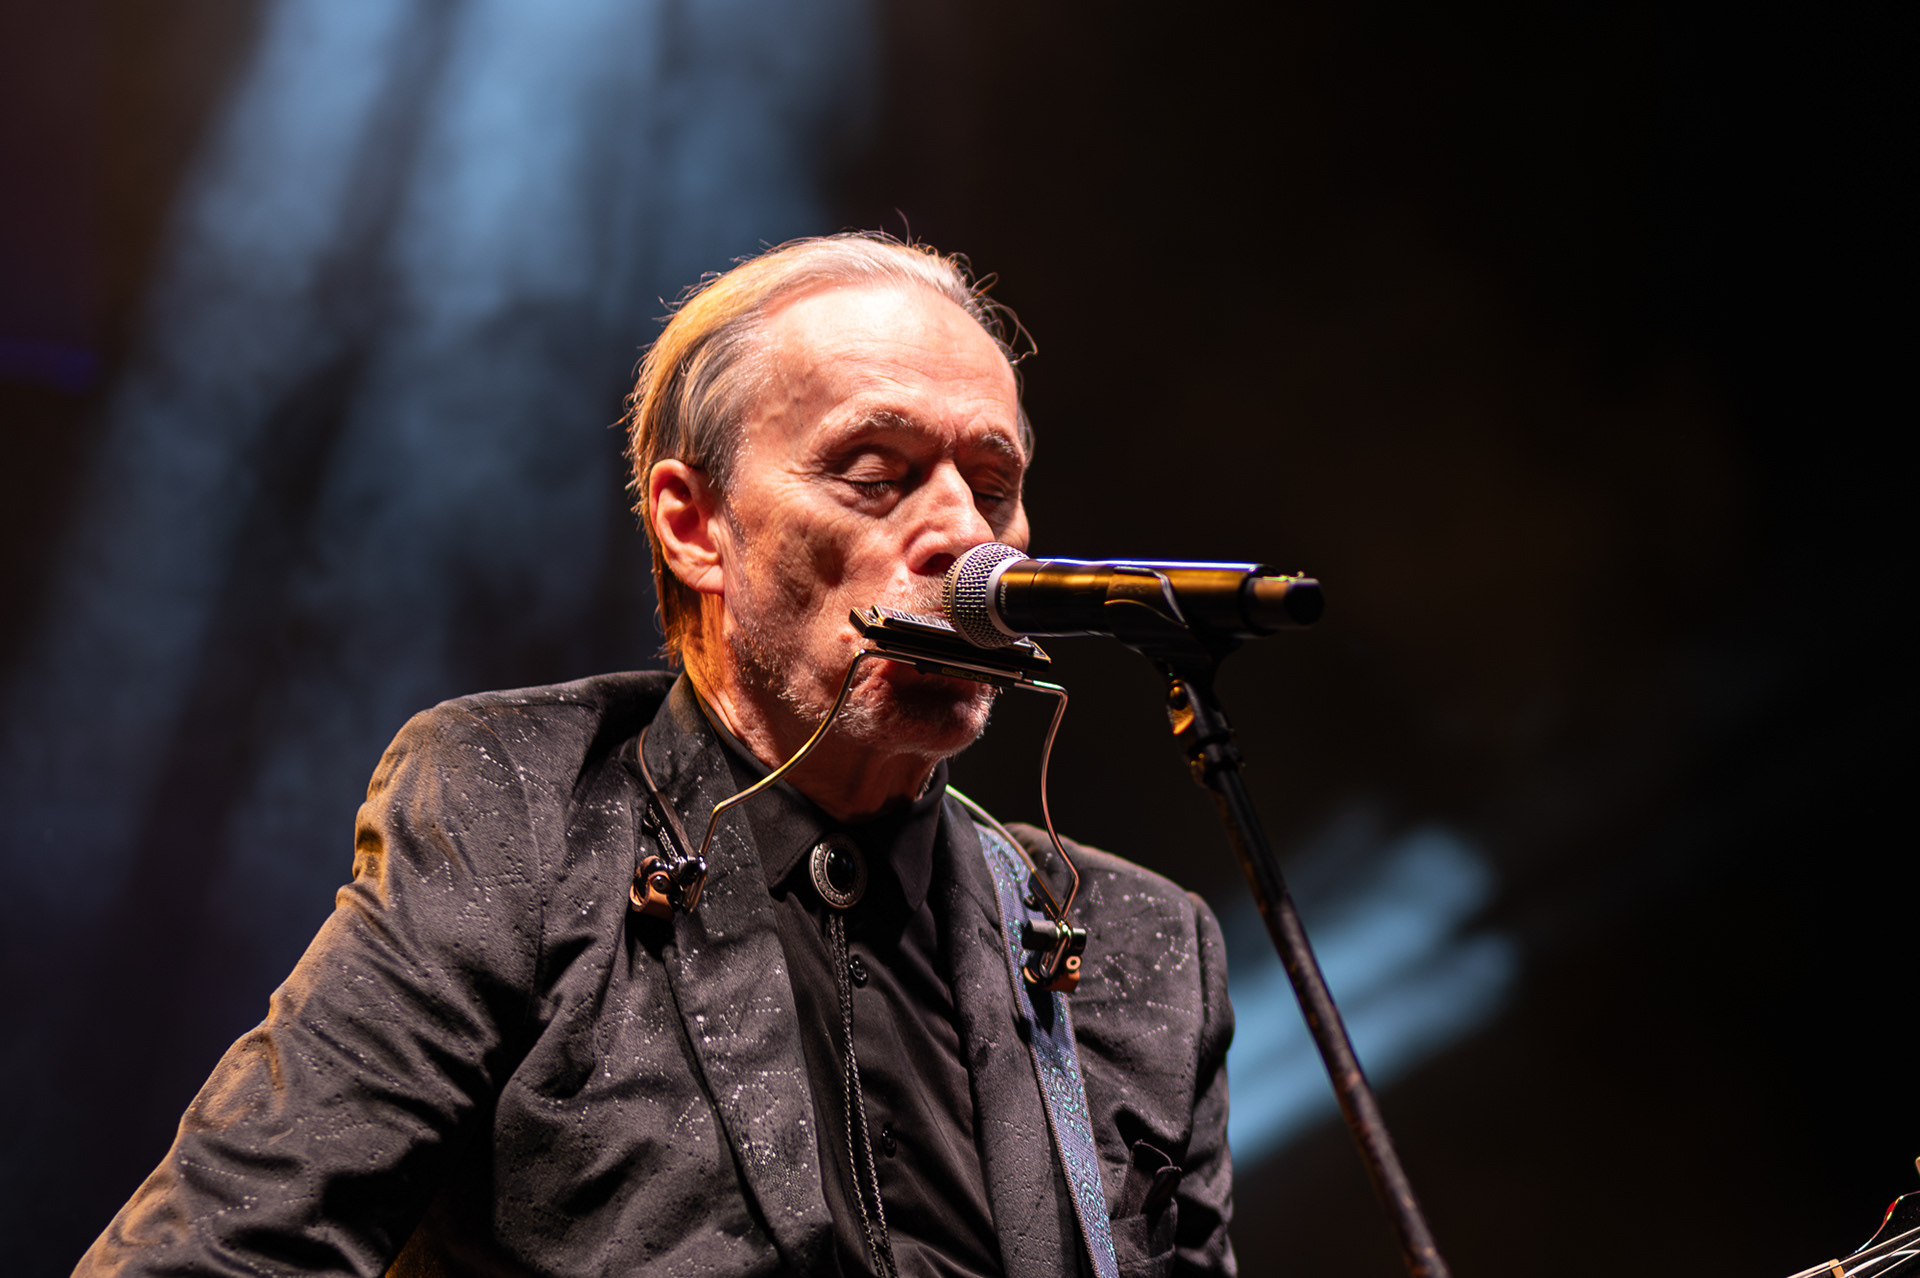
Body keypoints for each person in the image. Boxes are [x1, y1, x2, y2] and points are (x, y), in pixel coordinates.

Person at [76, 234, 1236, 1277]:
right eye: (876, 475)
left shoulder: (1142, 950)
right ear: (695, 525)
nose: (967, 540)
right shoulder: (525, 810)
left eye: (993, 487)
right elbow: (225, 1248)